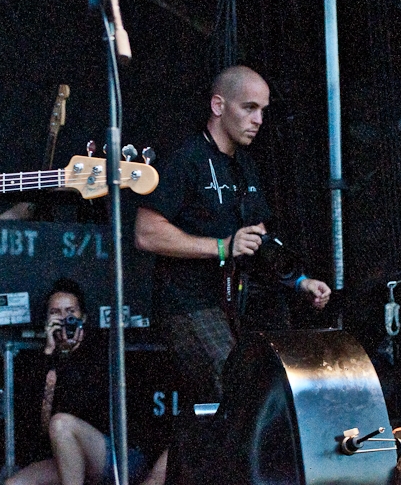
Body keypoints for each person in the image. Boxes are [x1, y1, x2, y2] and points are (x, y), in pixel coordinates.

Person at [133, 65, 331, 483]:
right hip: (186, 306)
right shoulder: (186, 159)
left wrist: (299, 282)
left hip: (231, 307)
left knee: (237, 406)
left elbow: (257, 246)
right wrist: (221, 246)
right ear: (218, 106)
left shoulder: (244, 168)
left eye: (264, 110)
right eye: (250, 108)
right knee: (239, 393)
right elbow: (146, 233)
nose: (259, 119)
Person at [6, 278, 152, 485]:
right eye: (55, 312)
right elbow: (34, 421)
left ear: (83, 317)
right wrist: (50, 353)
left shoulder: (100, 349)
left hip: (117, 455)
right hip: (65, 453)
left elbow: (87, 408)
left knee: (61, 424)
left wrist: (68, 356)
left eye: (70, 312)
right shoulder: (41, 358)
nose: (64, 318)